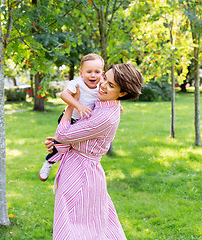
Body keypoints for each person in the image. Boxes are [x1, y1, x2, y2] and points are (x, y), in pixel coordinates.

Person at [45, 63, 143, 239]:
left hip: (79, 175)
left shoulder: (104, 117)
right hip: (83, 170)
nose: (103, 84)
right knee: (95, 225)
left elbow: (63, 134)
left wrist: (71, 104)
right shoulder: (105, 104)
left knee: (75, 229)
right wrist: (59, 145)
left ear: (122, 93)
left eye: (111, 85)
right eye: (105, 78)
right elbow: (80, 138)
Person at [38, 53, 105, 181]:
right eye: (89, 71)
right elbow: (64, 95)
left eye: (97, 72)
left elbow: (108, 96)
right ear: (81, 73)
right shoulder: (77, 83)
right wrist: (78, 105)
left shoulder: (101, 86)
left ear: (102, 73)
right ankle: (49, 163)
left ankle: (71, 170)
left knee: (74, 147)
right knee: (59, 145)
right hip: (70, 118)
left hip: (84, 122)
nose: (93, 75)